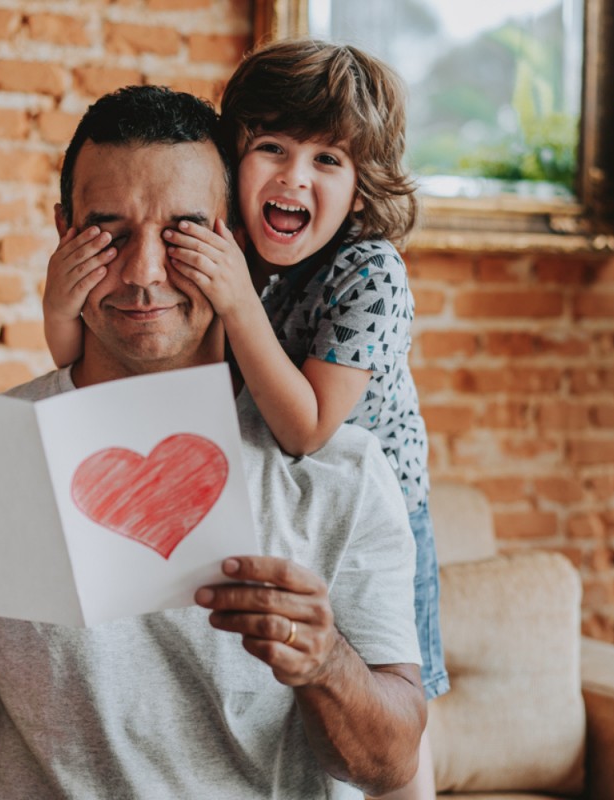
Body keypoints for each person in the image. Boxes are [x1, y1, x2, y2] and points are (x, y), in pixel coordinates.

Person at [0, 85, 425, 799]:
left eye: (185, 231)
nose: (144, 273)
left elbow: (393, 761)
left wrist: (326, 664)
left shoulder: (340, 470)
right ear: (64, 230)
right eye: (108, 232)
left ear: (239, 240)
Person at [44, 40, 449, 800]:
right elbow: (73, 365)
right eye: (272, 148)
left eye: (328, 160)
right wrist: (61, 300)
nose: (295, 176)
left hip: (386, 503)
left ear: (362, 190)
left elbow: (305, 431)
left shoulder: (371, 277)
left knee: (404, 746)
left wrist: (233, 300)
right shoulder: (250, 255)